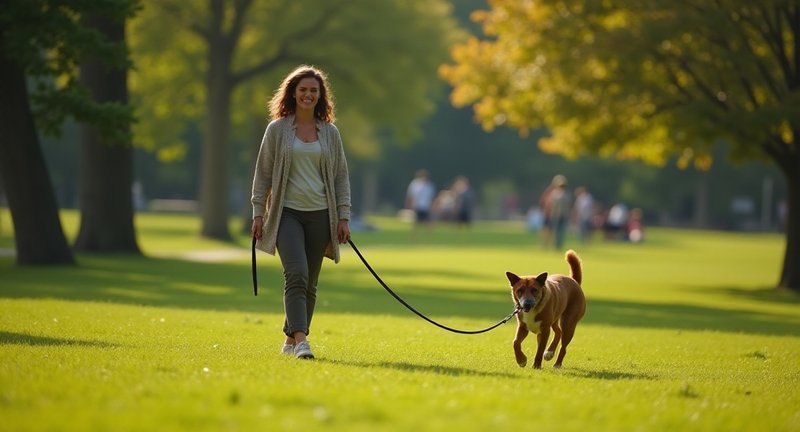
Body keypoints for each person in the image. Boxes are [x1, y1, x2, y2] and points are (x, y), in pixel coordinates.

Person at [251, 65, 351, 360]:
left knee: (310, 282)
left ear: (321, 96)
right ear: (293, 93)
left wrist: (343, 216)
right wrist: (258, 213)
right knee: (296, 274)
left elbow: (340, 177)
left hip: (322, 214)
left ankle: (290, 338)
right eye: (303, 90)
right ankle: (303, 341)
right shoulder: (277, 130)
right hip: (286, 214)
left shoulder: (330, 133)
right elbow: (263, 174)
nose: (308, 95)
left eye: (314, 91)